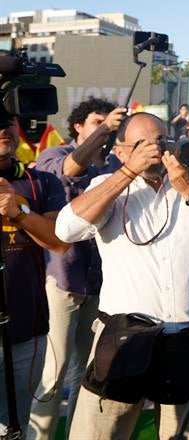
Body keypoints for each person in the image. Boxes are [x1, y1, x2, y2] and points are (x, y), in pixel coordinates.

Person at [55, 112, 189, 440]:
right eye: (141, 144)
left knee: (188, 433)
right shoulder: (106, 185)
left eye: (160, 141)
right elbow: (66, 229)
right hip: (124, 337)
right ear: (120, 152)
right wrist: (129, 172)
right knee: (100, 431)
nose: (155, 150)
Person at [27, 97, 126, 440]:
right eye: (97, 122)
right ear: (78, 126)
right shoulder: (53, 155)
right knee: (52, 372)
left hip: (101, 283)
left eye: (107, 123)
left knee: (88, 373)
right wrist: (104, 133)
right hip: (62, 278)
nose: (104, 128)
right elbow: (70, 169)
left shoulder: (115, 162)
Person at [0, 119, 69, 436]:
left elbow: (58, 240)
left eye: (8, 121)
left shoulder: (42, 182)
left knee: (15, 428)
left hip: (27, 331)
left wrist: (19, 213)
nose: (3, 128)